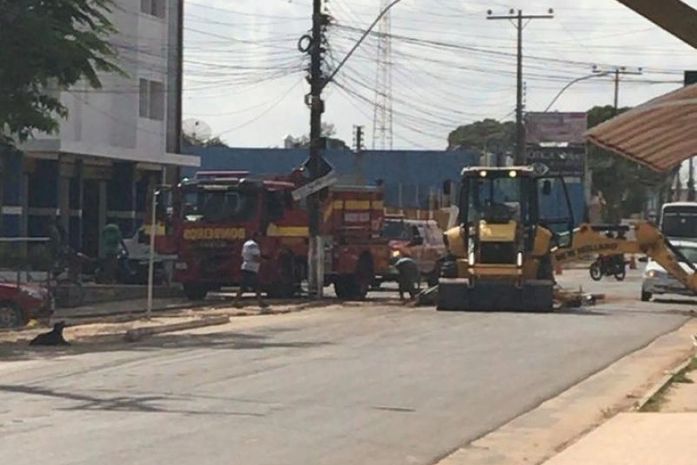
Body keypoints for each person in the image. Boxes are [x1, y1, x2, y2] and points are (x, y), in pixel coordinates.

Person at [234, 231, 269, 309]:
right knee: (251, 286)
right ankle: (235, 302)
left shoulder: (246, 243)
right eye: (259, 237)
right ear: (256, 237)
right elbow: (255, 257)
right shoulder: (253, 245)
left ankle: (260, 302)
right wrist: (264, 261)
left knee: (250, 286)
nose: (261, 238)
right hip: (251, 268)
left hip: (246, 266)